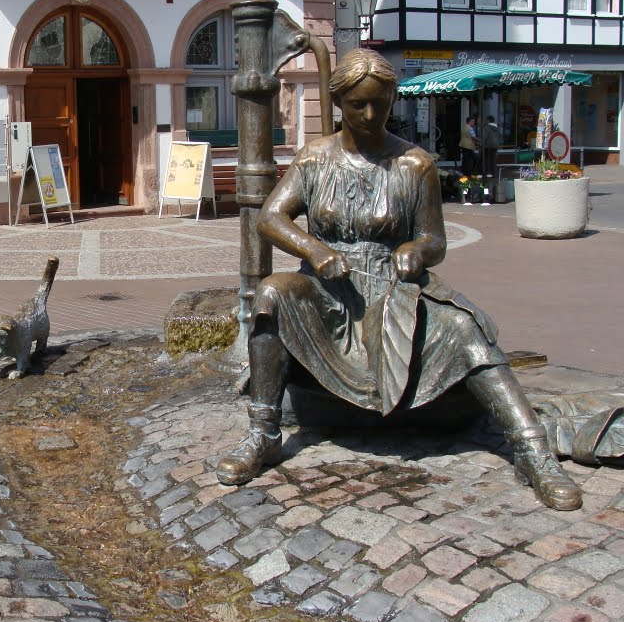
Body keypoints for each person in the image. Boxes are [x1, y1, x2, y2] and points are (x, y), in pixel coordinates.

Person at [215, 49, 581, 511]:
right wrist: (314, 249)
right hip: (330, 290)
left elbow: (435, 240)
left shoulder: (415, 164)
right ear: (339, 105)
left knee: (468, 329)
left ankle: (532, 451)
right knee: (272, 294)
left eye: (381, 104)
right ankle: (263, 433)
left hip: (394, 290)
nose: (370, 115)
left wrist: (416, 250)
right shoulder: (314, 159)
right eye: (358, 105)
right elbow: (271, 217)